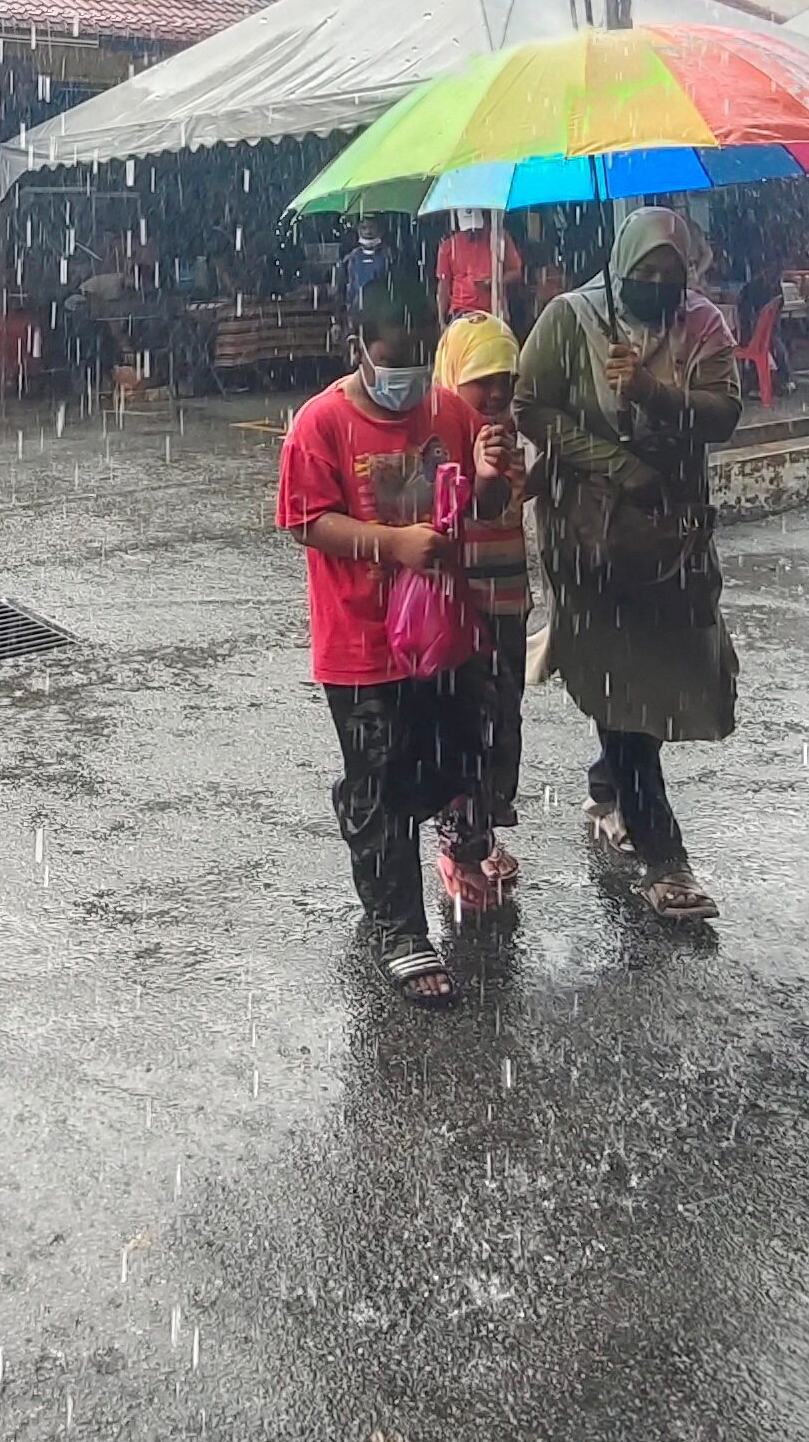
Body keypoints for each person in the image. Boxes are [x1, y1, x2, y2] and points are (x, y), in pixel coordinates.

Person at [276, 266, 502, 1006]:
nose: (407, 372)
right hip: (362, 642)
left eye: (421, 351)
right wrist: (389, 544)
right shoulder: (322, 424)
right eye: (394, 354)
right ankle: (399, 927)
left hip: (445, 633)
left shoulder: (447, 412)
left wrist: (499, 474)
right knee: (381, 785)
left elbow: (482, 500)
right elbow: (308, 521)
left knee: (454, 759)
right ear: (359, 349)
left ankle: (452, 847)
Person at [514, 208, 740, 922]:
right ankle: (663, 855)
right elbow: (530, 407)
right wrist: (612, 461)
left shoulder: (701, 326)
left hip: (672, 538)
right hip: (589, 537)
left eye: (672, 278)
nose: (659, 289)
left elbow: (725, 413)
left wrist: (653, 393)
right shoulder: (569, 318)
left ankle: (610, 782)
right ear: (620, 269)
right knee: (619, 678)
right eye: (644, 277)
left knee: (668, 670)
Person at [433, 310, 531, 906]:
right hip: (459, 610)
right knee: (467, 723)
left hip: (509, 602)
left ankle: (485, 830)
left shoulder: (511, 431)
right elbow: (464, 514)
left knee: (506, 719)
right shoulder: (438, 436)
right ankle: (459, 850)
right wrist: (480, 470)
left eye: (506, 378)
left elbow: (515, 504)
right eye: (481, 379)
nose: (495, 393)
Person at [433, 210, 516, 322]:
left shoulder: (498, 239)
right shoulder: (448, 246)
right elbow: (444, 285)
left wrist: (494, 282)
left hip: (493, 309)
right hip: (461, 311)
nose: (472, 233)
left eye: (476, 229)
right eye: (468, 230)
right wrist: (441, 319)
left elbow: (516, 271)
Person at [336, 215, 397, 317]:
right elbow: (341, 289)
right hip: (355, 312)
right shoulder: (351, 258)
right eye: (364, 228)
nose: (368, 231)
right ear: (358, 230)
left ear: (379, 230)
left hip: (383, 313)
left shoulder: (389, 257)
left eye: (371, 227)